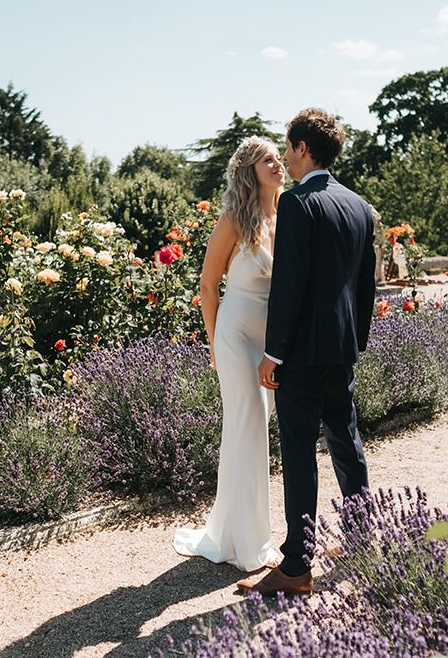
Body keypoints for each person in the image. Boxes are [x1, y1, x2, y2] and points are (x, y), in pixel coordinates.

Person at [239, 108, 376, 595]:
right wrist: (353, 342)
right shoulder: (359, 205)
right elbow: (366, 287)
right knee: (346, 440)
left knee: (299, 453)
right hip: (341, 350)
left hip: (299, 355)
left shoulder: (299, 204)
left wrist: (273, 353)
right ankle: (363, 540)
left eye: (288, 148)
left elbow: (289, 287)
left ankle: (296, 566)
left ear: (301, 148)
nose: (288, 159)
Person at [172, 136, 285, 572]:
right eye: (267, 160)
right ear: (249, 171)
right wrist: (215, 341)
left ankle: (233, 529)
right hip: (235, 334)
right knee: (248, 423)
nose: (277, 164)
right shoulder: (234, 219)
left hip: (271, 342)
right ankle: (248, 543)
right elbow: (207, 285)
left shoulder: (288, 214)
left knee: (250, 430)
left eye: (278, 157)